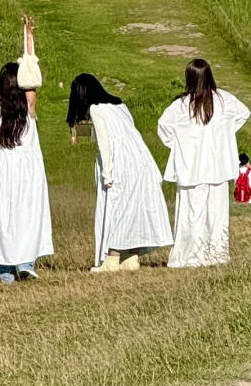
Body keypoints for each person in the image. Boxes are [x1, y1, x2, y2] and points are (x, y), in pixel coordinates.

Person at [67, 73, 173, 273]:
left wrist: (108, 173)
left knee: (116, 208)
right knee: (132, 208)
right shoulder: (120, 105)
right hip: (140, 158)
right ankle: (131, 257)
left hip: (121, 162)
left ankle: (112, 258)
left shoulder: (96, 109)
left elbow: (105, 143)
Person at [157, 58, 250, 269]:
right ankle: (216, 254)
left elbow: (163, 128)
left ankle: (191, 256)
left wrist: (179, 145)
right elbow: (244, 113)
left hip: (192, 167)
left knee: (192, 212)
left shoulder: (181, 105)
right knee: (217, 213)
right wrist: (225, 135)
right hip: (218, 166)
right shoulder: (225, 99)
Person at [0, 20, 53, 283]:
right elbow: (31, 68)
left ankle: (6, 268)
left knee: (4, 215)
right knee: (29, 212)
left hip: (4, 169)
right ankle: (26, 261)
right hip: (29, 168)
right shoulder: (29, 106)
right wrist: (28, 35)